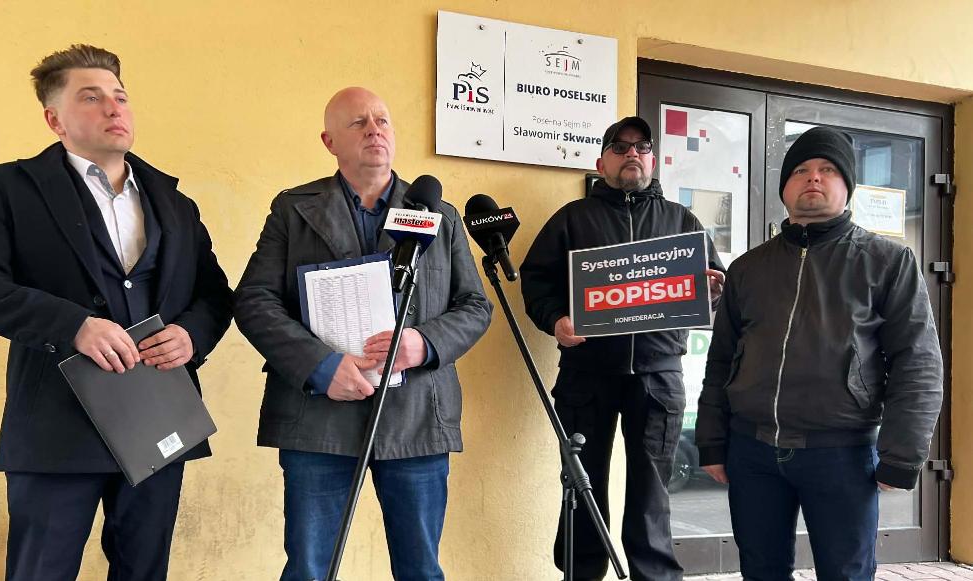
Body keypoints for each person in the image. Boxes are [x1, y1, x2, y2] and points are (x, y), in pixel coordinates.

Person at [0, 44, 233, 580]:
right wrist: (72, 325)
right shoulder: (8, 188)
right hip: (54, 428)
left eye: (120, 97)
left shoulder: (175, 202)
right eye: (91, 97)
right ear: (54, 119)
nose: (113, 108)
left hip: (159, 419)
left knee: (144, 572)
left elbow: (215, 295)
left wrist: (191, 336)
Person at [233, 86, 492, 581]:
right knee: (310, 570)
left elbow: (475, 306)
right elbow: (254, 300)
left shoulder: (440, 215)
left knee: (421, 570)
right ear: (329, 141)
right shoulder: (293, 209)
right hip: (320, 417)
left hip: (417, 417)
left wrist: (424, 343)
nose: (375, 130)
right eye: (358, 123)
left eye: (382, 120)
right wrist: (320, 366)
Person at [696, 126, 943, 579]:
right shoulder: (748, 268)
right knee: (760, 571)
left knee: (845, 573)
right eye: (801, 170)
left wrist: (901, 456)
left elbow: (918, 363)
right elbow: (722, 360)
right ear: (784, 188)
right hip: (752, 453)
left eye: (828, 169)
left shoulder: (887, 262)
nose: (813, 177)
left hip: (841, 455)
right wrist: (712, 441)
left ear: (847, 186)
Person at [520, 116, 725, 581]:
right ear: (601, 163)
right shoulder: (571, 219)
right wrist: (556, 321)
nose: (632, 152)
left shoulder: (682, 221)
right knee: (582, 486)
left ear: (653, 161)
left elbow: (713, 287)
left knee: (653, 493)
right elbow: (536, 281)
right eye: (620, 146)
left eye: (642, 146)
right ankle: (580, 574)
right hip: (586, 375)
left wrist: (713, 292)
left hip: (658, 376)